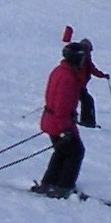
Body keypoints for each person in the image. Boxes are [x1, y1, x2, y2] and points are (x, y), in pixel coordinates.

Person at [35, 41, 90, 198]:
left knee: (62, 151)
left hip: (52, 120)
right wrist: (66, 129)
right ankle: (63, 187)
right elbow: (61, 108)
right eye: (82, 58)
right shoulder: (68, 78)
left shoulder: (60, 71)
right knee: (75, 152)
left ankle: (50, 182)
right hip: (59, 123)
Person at [74, 38, 109, 127]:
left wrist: (103, 75)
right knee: (87, 101)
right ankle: (86, 122)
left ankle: (86, 121)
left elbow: (93, 70)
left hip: (80, 86)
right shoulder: (79, 60)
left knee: (87, 101)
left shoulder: (86, 59)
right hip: (76, 85)